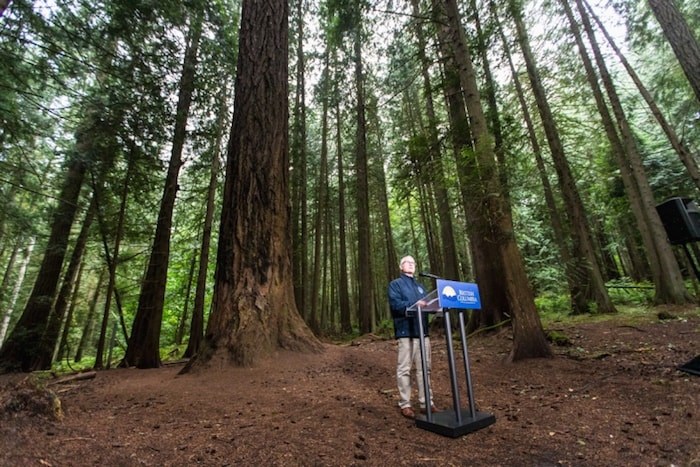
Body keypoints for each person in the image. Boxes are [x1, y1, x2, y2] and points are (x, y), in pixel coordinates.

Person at [387, 255, 437, 419]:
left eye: (413, 263)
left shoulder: (420, 287)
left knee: (425, 369)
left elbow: (427, 304)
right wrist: (413, 306)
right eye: (407, 262)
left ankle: (426, 403)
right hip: (406, 332)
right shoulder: (395, 284)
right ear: (401, 266)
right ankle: (405, 404)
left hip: (422, 333)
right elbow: (395, 305)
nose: (411, 265)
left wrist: (431, 306)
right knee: (404, 369)